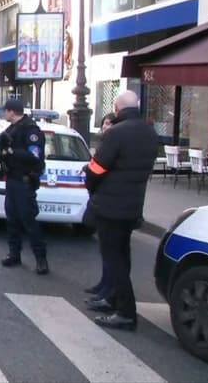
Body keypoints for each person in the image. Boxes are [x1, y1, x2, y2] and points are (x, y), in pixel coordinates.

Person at [83, 91, 158, 331]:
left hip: (110, 206)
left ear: (117, 108)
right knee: (122, 257)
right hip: (133, 205)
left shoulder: (116, 132)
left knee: (114, 260)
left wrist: (91, 187)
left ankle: (125, 312)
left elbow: (96, 168)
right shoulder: (149, 132)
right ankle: (113, 300)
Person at [0, 98, 49, 275]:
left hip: (24, 181)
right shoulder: (11, 129)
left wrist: (11, 151)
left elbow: (34, 155)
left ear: (12, 111)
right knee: (12, 220)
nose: (4, 113)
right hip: (12, 179)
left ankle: (41, 259)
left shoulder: (30, 130)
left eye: (5, 111)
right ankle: (14, 254)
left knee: (29, 221)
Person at [83, 112, 117, 300]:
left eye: (111, 123)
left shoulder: (113, 144)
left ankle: (108, 291)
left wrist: (89, 173)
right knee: (105, 250)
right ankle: (104, 284)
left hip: (109, 203)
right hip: (104, 201)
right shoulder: (105, 143)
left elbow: (97, 171)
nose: (107, 127)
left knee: (112, 253)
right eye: (105, 123)